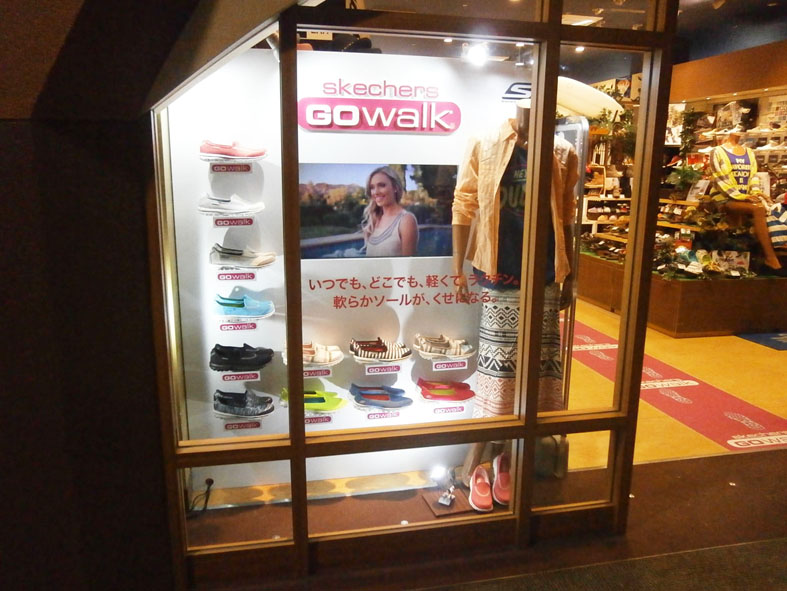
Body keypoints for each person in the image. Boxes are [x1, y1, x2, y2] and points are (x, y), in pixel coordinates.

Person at [451, 101, 576, 501]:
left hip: (545, 275)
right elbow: (464, 203)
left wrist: (570, 273)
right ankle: (482, 456)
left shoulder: (562, 150)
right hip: (500, 272)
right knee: (500, 366)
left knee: (537, 366)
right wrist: (458, 268)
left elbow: (567, 215)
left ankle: (507, 457)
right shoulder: (485, 142)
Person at [708, 129, 785, 275]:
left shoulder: (749, 152)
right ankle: (770, 258)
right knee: (758, 208)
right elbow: (719, 178)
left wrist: (756, 193)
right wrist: (740, 196)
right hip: (724, 197)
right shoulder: (717, 151)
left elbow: (753, 176)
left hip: (745, 198)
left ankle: (770, 255)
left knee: (769, 208)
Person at [362, 166, 419, 257]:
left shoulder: (406, 220)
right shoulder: (376, 219)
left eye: (382, 185)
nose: (375, 192)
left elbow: (408, 264)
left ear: (395, 187)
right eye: (372, 187)